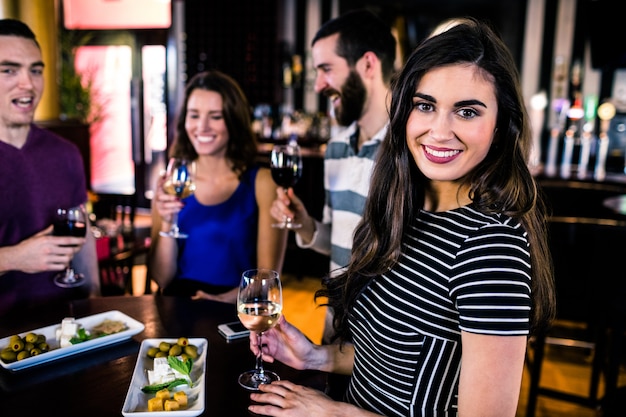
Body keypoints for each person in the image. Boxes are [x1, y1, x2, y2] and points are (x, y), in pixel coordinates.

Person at [247, 18, 556, 416]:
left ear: (500, 126)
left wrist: (335, 413)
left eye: (466, 112)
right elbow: (393, 365)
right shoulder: (403, 210)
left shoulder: (491, 248)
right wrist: (315, 357)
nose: (439, 131)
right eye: (425, 106)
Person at [270, 9, 397, 342]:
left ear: (368, 64)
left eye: (327, 69)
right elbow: (339, 245)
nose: (320, 84)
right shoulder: (337, 146)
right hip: (335, 330)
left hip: (388, 343)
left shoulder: (409, 150)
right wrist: (303, 223)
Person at [148, 70, 288, 303]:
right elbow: (162, 279)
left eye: (215, 116)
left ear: (234, 121)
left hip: (237, 312)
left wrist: (224, 300)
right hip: (178, 310)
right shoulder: (171, 183)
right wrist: (167, 223)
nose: (202, 127)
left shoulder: (263, 182)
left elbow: (268, 280)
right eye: (194, 115)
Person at [0, 18, 100, 316]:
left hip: (68, 325)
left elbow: (83, 243)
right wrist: (14, 258)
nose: (28, 84)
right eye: (8, 70)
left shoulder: (65, 153)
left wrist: (98, 305)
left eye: (35, 70)